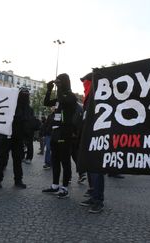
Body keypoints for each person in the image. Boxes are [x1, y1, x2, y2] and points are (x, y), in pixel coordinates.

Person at [42, 73, 77, 199]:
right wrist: (49, 89)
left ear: (65, 82)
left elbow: (63, 100)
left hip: (65, 132)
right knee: (55, 160)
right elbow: (46, 102)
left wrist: (60, 88)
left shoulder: (71, 96)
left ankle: (65, 188)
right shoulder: (59, 96)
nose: (58, 84)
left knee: (65, 161)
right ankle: (55, 185)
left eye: (60, 82)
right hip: (55, 132)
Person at [0, 88, 33, 189]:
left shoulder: (27, 109)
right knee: (3, 159)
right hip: (7, 135)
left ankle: (17, 180)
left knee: (17, 160)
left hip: (18, 138)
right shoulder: (11, 105)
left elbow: (29, 123)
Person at [77, 72, 105, 213]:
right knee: (90, 168)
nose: (84, 85)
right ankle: (93, 195)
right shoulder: (88, 98)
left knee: (96, 169)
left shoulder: (98, 96)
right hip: (88, 137)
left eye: (86, 82)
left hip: (97, 138)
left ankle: (98, 200)